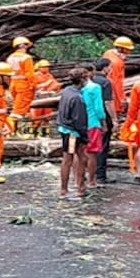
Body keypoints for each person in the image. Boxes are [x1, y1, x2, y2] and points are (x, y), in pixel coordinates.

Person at [57, 68, 89, 200]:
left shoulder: (66, 91)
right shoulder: (77, 98)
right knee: (74, 159)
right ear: (82, 80)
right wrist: (84, 136)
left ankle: (71, 187)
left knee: (70, 158)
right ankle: (75, 188)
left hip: (64, 127)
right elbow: (78, 119)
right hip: (73, 133)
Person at [92, 58, 118, 183]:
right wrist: (114, 119)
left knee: (89, 145)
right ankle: (100, 175)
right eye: (110, 67)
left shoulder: (89, 80)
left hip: (89, 117)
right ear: (105, 68)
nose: (111, 69)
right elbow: (108, 102)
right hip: (103, 117)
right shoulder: (105, 82)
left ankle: (89, 173)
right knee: (102, 145)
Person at [81, 63, 106, 189]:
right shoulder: (95, 87)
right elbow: (99, 108)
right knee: (92, 153)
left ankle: (78, 179)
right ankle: (91, 181)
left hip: (79, 123)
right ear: (90, 72)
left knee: (78, 152)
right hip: (92, 122)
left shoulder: (76, 88)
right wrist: (103, 122)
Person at [6, 36, 37, 133]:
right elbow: (29, 74)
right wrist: (33, 85)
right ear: (23, 45)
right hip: (24, 85)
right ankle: (6, 130)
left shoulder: (10, 58)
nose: (27, 47)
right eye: (26, 45)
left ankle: (15, 130)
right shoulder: (26, 58)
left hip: (13, 85)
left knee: (19, 108)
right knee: (18, 111)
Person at [28, 59, 61, 135]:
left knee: (47, 117)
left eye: (47, 67)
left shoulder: (50, 76)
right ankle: (33, 133)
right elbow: (33, 86)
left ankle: (44, 134)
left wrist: (55, 88)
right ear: (39, 68)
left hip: (47, 99)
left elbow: (55, 85)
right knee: (36, 117)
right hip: (37, 99)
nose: (46, 68)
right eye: (44, 67)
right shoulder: (35, 76)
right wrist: (45, 84)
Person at [103, 36, 133, 115]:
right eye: (127, 49)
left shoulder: (108, 52)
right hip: (114, 92)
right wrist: (122, 99)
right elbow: (116, 82)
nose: (129, 51)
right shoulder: (116, 62)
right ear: (120, 48)